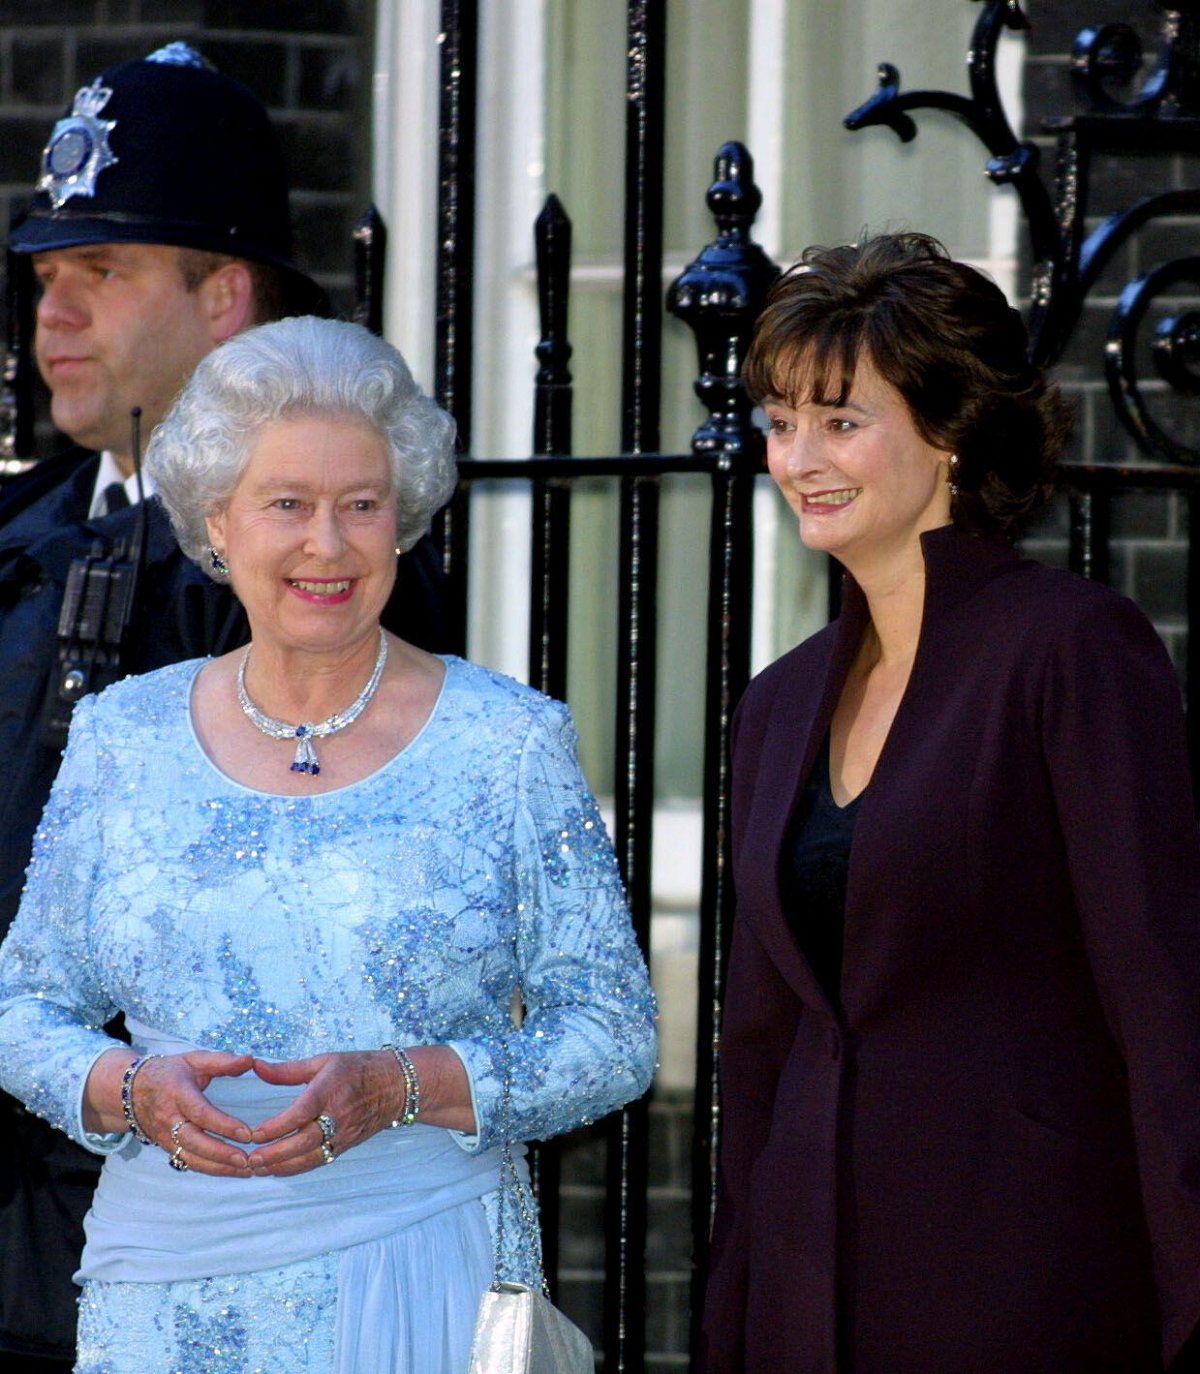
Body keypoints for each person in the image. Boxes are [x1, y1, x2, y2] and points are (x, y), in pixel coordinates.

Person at [0, 314, 657, 1373]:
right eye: (288, 505)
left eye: (361, 505)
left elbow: (613, 1036)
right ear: (218, 520)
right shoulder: (122, 736)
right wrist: (124, 1090)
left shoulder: (507, 743)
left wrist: (406, 1084)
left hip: (420, 1276)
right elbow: (22, 1006)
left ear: (402, 521)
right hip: (160, 1293)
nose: (327, 544)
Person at [0, 44, 447, 1367]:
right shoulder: (25, 530)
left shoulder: (330, 566)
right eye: (43, 280)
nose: (54, 315)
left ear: (224, 298)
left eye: (102, 271)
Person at [700, 232, 1200, 1373]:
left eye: (841, 419)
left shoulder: (1070, 649)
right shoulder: (777, 707)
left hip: (1021, 1290)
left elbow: (1164, 1003)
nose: (798, 458)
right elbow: (761, 1051)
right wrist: (733, 1315)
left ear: (953, 432)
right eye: (781, 423)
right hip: (806, 1300)